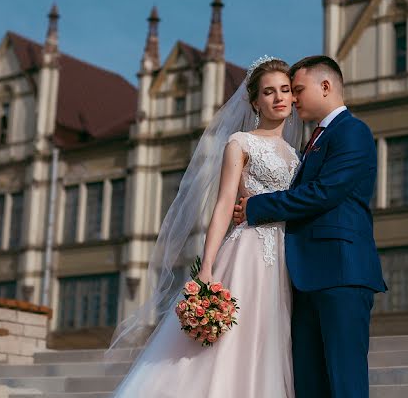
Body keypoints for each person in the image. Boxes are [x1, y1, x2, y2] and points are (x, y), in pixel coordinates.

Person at [108, 56, 302, 398]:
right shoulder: (240, 143)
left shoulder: (295, 153)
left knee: (270, 339)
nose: (279, 98)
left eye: (285, 90)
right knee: (235, 341)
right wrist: (208, 266)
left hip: (286, 255)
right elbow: (225, 203)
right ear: (255, 101)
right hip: (250, 252)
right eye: (269, 92)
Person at [234, 55, 386, 398]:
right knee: (309, 383)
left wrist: (258, 206)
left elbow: (324, 192)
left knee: (344, 381)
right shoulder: (314, 140)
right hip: (306, 277)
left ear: (326, 86)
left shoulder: (352, 131)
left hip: (341, 273)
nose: (293, 98)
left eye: (298, 89)